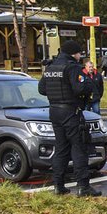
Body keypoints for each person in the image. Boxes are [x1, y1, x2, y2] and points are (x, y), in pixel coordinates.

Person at [38, 40, 101, 197]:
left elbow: (42, 89)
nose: (80, 56)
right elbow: (80, 88)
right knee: (78, 148)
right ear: (74, 53)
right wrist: (87, 86)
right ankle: (83, 186)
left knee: (61, 149)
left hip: (54, 112)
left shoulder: (50, 67)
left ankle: (58, 185)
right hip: (70, 112)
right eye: (80, 53)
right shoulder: (72, 67)